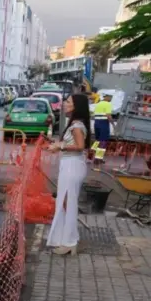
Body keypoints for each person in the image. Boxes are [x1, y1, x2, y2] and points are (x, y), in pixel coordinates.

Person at [45, 93, 90, 256]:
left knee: (68, 202)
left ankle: (69, 241)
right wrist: (58, 145)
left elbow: (79, 146)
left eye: (68, 102)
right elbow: (73, 144)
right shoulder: (75, 124)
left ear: (76, 106)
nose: (64, 103)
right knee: (65, 202)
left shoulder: (77, 125)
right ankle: (67, 238)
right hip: (70, 165)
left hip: (72, 166)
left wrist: (60, 147)